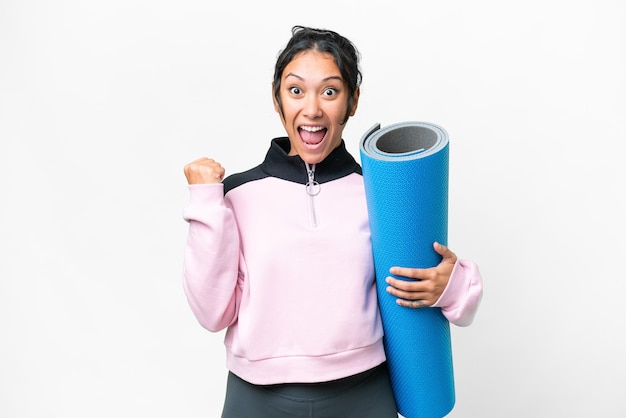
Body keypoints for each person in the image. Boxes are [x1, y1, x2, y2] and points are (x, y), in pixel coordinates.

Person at [182, 25, 483, 418]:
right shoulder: (235, 195)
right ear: (277, 99)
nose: (312, 109)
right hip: (256, 400)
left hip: (364, 394)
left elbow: (444, 290)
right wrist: (205, 202)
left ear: (352, 101)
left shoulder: (380, 193)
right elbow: (211, 313)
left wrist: (453, 284)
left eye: (329, 91)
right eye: (295, 90)